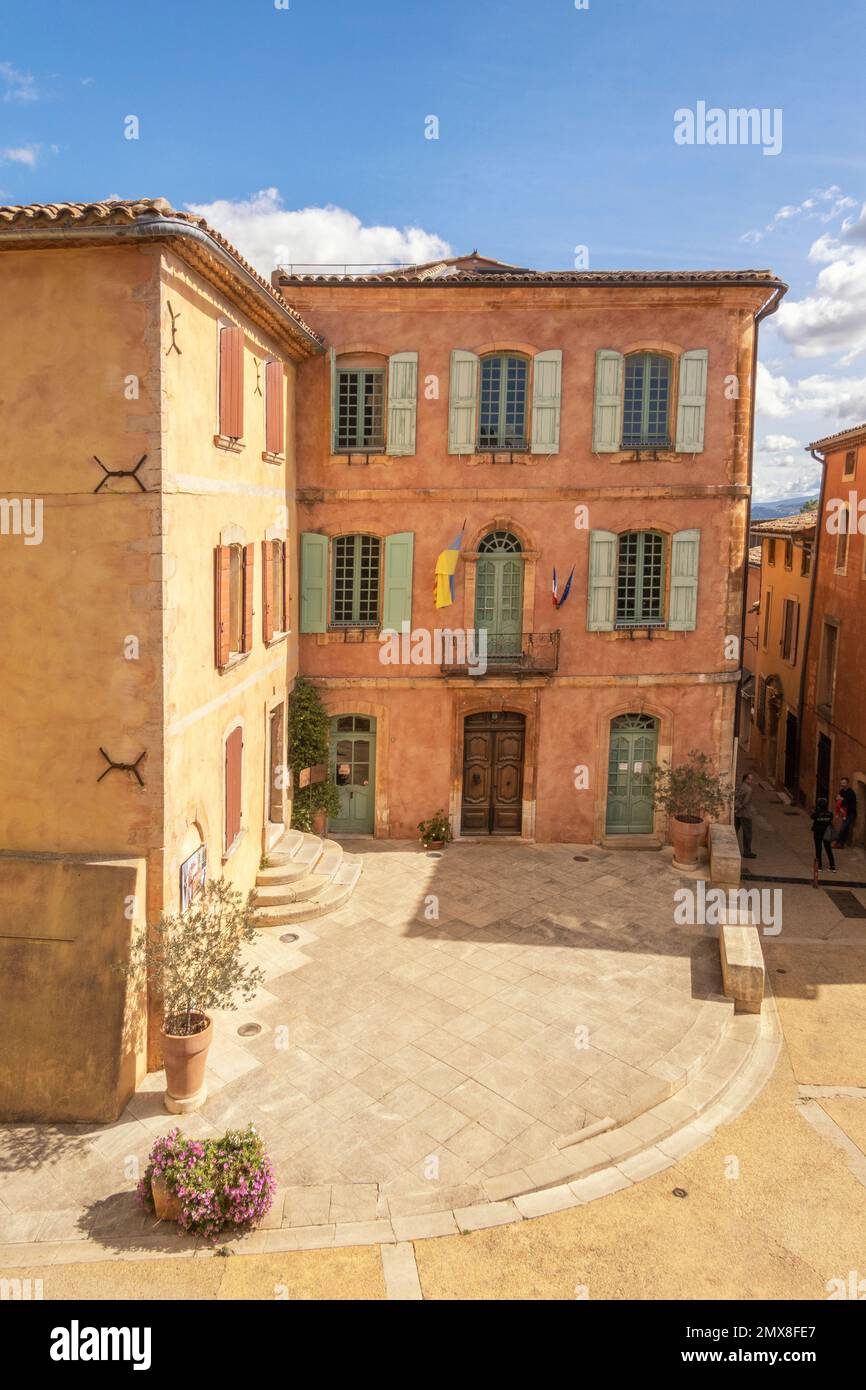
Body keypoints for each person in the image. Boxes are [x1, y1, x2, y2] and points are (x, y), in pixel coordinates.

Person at [811, 797, 836, 876]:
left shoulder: (817, 814)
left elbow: (812, 816)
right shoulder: (830, 814)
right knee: (828, 849)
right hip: (826, 833)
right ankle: (832, 866)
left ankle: (819, 866)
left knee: (818, 849)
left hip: (818, 833)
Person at [734, 772, 756, 858]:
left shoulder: (740, 786)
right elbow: (745, 803)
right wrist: (739, 808)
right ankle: (747, 852)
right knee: (748, 834)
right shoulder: (749, 790)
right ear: (746, 779)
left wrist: (735, 809)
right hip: (745, 814)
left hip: (737, 814)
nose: (751, 781)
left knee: (735, 831)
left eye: (752, 779)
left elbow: (735, 796)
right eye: (750, 779)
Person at [833, 778, 857, 849]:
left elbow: (844, 802)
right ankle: (841, 844)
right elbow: (836, 799)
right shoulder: (842, 791)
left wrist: (840, 799)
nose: (842, 784)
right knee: (845, 828)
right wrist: (839, 798)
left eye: (844, 783)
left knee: (843, 828)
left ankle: (838, 843)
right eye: (842, 783)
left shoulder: (850, 792)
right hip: (844, 813)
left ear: (847, 783)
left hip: (850, 813)